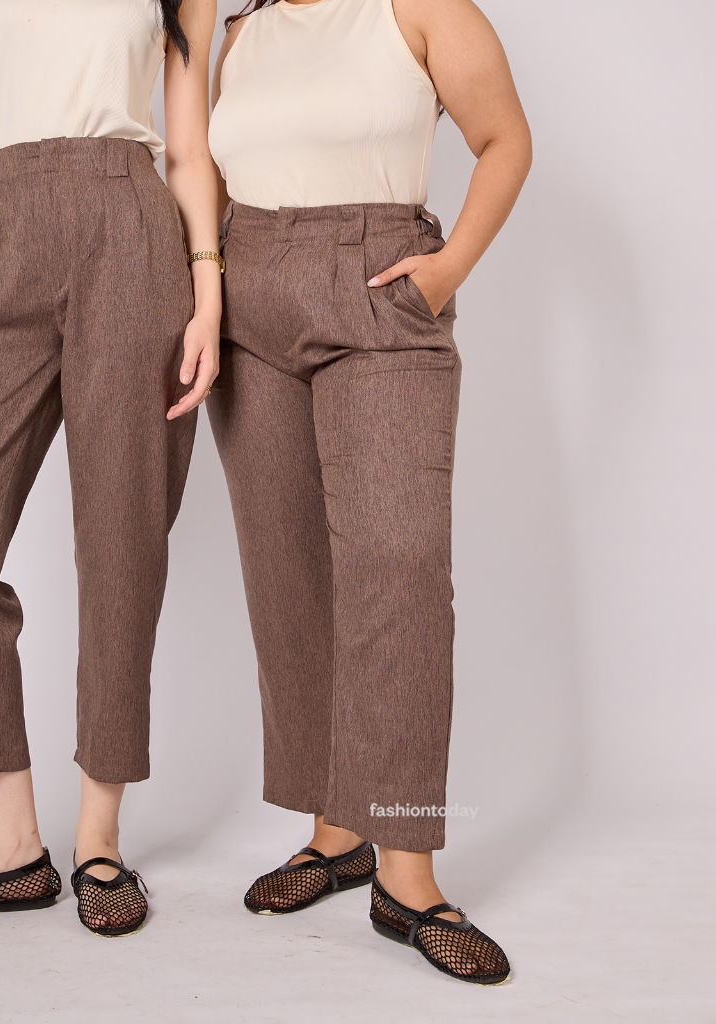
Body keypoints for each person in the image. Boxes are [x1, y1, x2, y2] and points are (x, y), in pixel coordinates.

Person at [0, 0, 221, 937]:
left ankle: (99, 839)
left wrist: (209, 296)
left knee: (121, 545)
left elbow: (189, 149)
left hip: (129, 230)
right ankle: (11, 843)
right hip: (2, 233)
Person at [207, 0, 531, 981]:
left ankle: (408, 874)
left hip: (380, 289)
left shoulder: (419, 9)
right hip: (247, 303)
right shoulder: (238, 33)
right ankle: (337, 830)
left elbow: (505, 139)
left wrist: (445, 271)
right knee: (288, 569)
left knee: (398, 566)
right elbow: (208, 179)